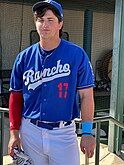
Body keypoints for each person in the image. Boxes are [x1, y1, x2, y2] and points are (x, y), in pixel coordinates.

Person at [8, 0, 96, 164]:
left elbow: (86, 96)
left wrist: (87, 132)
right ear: (35, 23)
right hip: (30, 131)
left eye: (50, 20)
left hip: (63, 133)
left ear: (60, 23)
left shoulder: (77, 54)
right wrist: (14, 133)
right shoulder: (24, 57)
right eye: (40, 20)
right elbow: (16, 96)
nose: (44, 25)